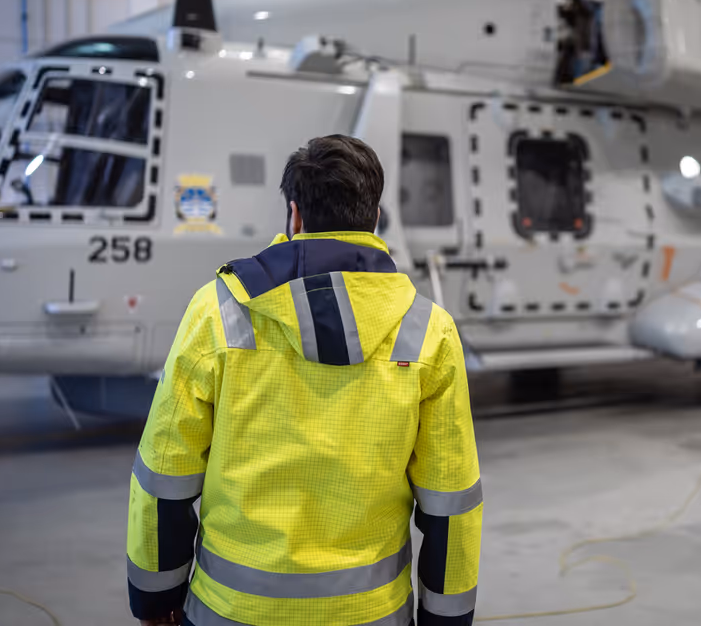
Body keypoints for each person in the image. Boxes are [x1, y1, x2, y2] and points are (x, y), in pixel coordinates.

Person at [126, 135, 482, 626]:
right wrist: (446, 620)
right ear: (374, 218)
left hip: (231, 611)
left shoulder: (218, 310)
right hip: (370, 614)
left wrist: (154, 597)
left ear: (294, 216)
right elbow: (451, 502)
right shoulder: (428, 330)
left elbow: (164, 475)